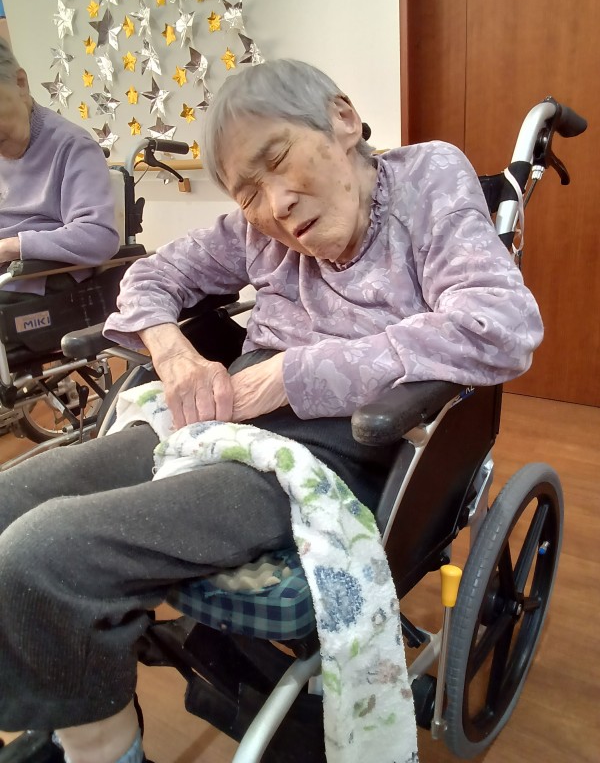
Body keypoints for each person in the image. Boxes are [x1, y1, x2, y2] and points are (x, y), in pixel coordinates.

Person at [0, 59, 543, 763]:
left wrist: (289, 376)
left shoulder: (428, 180)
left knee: (43, 552)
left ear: (342, 120)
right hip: (218, 423)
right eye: (248, 191)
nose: (275, 206)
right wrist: (172, 351)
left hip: (338, 450)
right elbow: (152, 274)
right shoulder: (254, 230)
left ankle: (99, 747)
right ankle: (68, 709)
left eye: (279, 159)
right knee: (8, 501)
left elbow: (498, 324)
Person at [0, 38, 120, 302]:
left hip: (38, 280)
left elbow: (99, 236)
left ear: (20, 83)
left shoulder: (73, 146)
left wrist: (12, 246)